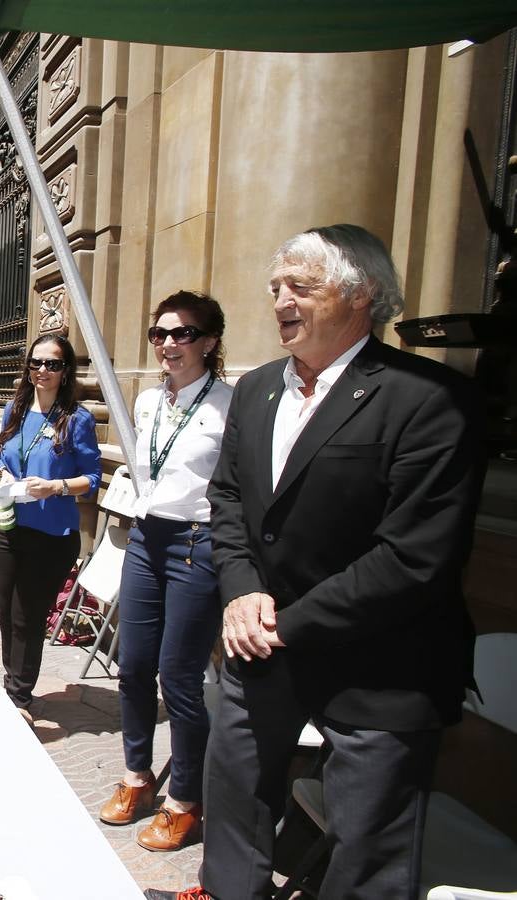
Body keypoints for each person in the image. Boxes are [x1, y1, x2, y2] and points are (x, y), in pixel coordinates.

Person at [147, 226, 486, 900]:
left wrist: (286, 622)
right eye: (276, 288)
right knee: (236, 807)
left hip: (381, 666)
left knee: (366, 853)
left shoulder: (428, 399)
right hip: (261, 645)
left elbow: (414, 557)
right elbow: (231, 501)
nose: (281, 301)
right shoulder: (257, 390)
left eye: (301, 286)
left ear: (361, 295)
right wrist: (241, 595)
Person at [100, 291, 232, 852]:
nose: (170, 344)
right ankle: (138, 776)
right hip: (146, 537)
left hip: (196, 546)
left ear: (209, 341)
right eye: (160, 334)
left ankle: (186, 801)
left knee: (179, 676)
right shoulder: (149, 400)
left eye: (183, 334)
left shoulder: (230, 404)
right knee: (131, 664)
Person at [0, 333, 102, 723]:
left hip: (52, 534)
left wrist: (56, 487)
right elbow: (1, 451)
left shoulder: (78, 419)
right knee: (5, 607)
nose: (42, 370)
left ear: (66, 370)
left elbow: (92, 476)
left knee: (28, 615)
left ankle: (18, 696)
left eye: (52, 364)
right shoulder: (15, 409)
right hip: (6, 524)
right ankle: (12, 680)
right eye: (36, 363)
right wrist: (3, 470)